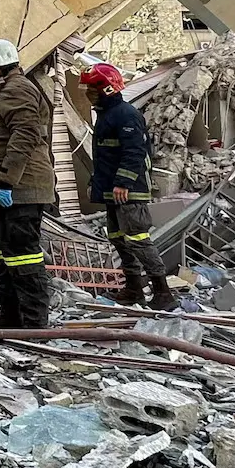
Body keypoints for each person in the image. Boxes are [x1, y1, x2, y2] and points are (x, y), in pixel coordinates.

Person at [80, 61, 176, 311]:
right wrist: (96, 183)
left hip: (128, 191)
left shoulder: (126, 114)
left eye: (92, 89)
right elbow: (105, 156)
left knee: (138, 238)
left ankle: (163, 292)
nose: (88, 94)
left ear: (107, 88)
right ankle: (134, 288)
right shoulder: (106, 114)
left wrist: (123, 182)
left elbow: (134, 152)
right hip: (114, 190)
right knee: (118, 238)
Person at [0, 38, 56, 327]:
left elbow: (25, 134)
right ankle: (10, 316)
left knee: (23, 255)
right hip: (2, 188)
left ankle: (34, 322)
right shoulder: (3, 90)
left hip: (21, 187)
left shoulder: (16, 89)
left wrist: (7, 181)